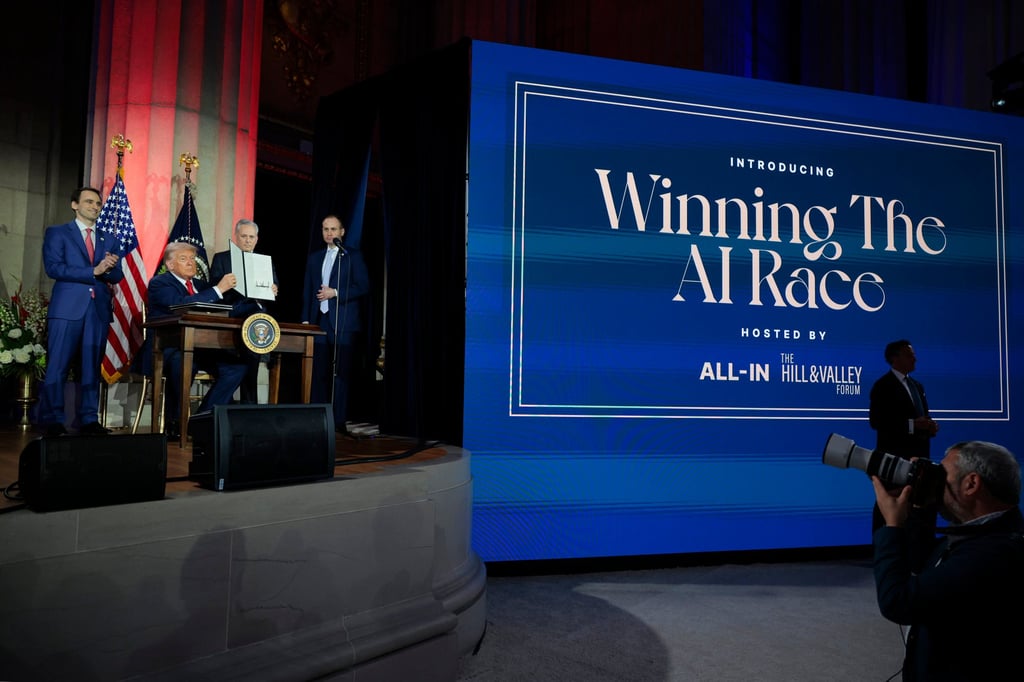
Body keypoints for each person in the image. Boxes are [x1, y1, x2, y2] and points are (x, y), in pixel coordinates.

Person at [871, 440, 1024, 681]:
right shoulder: (983, 530)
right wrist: (918, 503)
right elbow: (924, 561)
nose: (935, 481)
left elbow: (898, 602)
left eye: (941, 474)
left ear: (971, 484)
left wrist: (892, 526)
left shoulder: (994, 553)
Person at [38, 186, 123, 436]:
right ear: (75, 204)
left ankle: (88, 419)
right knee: (58, 365)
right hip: (67, 309)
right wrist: (92, 271)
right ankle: (52, 418)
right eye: (89, 202)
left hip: (96, 310)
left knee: (91, 367)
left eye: (98, 203)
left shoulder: (109, 238)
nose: (94, 206)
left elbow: (117, 275)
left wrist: (109, 268)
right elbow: (53, 268)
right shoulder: (57, 233)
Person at [147, 241, 249, 438]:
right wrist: (218, 290)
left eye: (193, 259)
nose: (190, 263)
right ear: (170, 265)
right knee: (184, 362)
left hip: (202, 347)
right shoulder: (160, 283)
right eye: (183, 259)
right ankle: (174, 422)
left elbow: (230, 306)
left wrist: (258, 294)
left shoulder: (202, 286)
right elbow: (179, 305)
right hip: (168, 348)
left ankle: (202, 419)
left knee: (237, 368)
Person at [302, 214, 369, 434]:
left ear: (342, 232)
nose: (329, 233)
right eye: (325, 229)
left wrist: (336, 293)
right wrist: (306, 319)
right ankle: (315, 417)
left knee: (340, 373)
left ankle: (337, 420)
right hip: (319, 321)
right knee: (318, 371)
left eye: (333, 229)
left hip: (344, 322)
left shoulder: (351, 256)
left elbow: (363, 287)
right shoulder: (315, 258)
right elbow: (308, 290)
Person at [869, 339, 939, 530]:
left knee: (918, 509)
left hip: (919, 459)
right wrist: (912, 425)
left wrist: (929, 427)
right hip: (894, 459)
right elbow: (877, 421)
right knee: (889, 506)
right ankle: (884, 545)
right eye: (909, 355)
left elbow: (921, 418)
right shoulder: (882, 386)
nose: (914, 358)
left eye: (914, 354)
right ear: (894, 358)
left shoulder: (917, 386)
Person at [209, 218, 278, 403]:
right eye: (244, 236)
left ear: (257, 239)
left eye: (251, 237)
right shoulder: (222, 258)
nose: (248, 240)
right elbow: (214, 288)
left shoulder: (264, 261)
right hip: (233, 314)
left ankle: (250, 406)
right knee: (240, 363)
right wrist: (227, 284)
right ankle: (233, 406)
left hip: (256, 318)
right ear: (236, 237)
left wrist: (273, 289)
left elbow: (274, 285)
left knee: (252, 362)